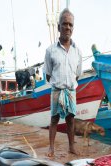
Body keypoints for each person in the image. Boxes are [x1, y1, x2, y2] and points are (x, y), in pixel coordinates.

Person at [44, 8, 82, 157]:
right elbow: (48, 74)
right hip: (56, 90)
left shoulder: (77, 51)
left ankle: (71, 146)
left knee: (70, 119)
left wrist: (69, 86)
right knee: (54, 119)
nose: (68, 27)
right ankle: (51, 148)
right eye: (64, 24)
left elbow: (77, 75)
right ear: (58, 26)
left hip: (71, 91)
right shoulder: (50, 51)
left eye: (70, 25)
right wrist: (59, 85)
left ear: (73, 28)